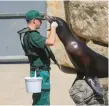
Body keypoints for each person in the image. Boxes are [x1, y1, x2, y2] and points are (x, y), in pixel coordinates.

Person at [18, 10, 58, 105]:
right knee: (43, 101)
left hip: (36, 71)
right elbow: (51, 41)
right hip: (41, 73)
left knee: (37, 100)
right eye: (40, 20)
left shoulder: (27, 34)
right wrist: (53, 27)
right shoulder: (33, 35)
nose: (41, 22)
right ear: (34, 20)